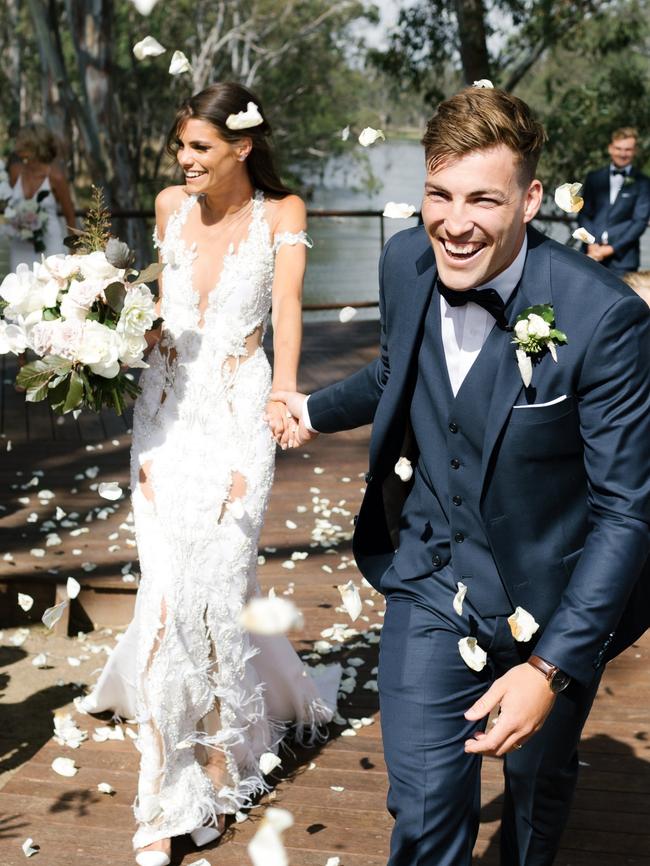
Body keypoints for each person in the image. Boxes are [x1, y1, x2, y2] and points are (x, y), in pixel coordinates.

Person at [272, 87, 650, 866]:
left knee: (534, 790)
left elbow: (624, 513)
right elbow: (394, 373)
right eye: (439, 195)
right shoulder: (405, 259)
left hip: (553, 599)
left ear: (530, 198)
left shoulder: (605, 317)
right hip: (429, 578)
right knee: (421, 803)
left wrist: (548, 667)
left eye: (483, 198)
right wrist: (309, 407)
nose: (454, 221)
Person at [78, 82, 340, 866]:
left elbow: (287, 308)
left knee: (219, 597)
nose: (184, 161)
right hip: (163, 417)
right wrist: (94, 331)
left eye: (199, 148)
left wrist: (288, 389)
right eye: (181, 147)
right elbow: (158, 312)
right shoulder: (167, 207)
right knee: (162, 598)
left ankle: (221, 770)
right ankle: (161, 796)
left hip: (234, 420)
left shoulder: (281, 214)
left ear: (242, 148)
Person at [580, 127, 650, 275]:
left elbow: (639, 222)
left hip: (623, 261)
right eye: (618, 148)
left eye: (628, 150)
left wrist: (611, 249)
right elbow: (584, 214)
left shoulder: (643, 183)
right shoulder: (594, 177)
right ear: (610, 148)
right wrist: (591, 243)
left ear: (635, 151)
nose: (623, 154)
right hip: (590, 254)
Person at [8, 123, 76, 269]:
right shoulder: (15, 172)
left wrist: (73, 252)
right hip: (20, 246)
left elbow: (70, 216)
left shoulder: (56, 177)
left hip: (51, 245)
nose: (17, 146)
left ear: (34, 147)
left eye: (22, 142)